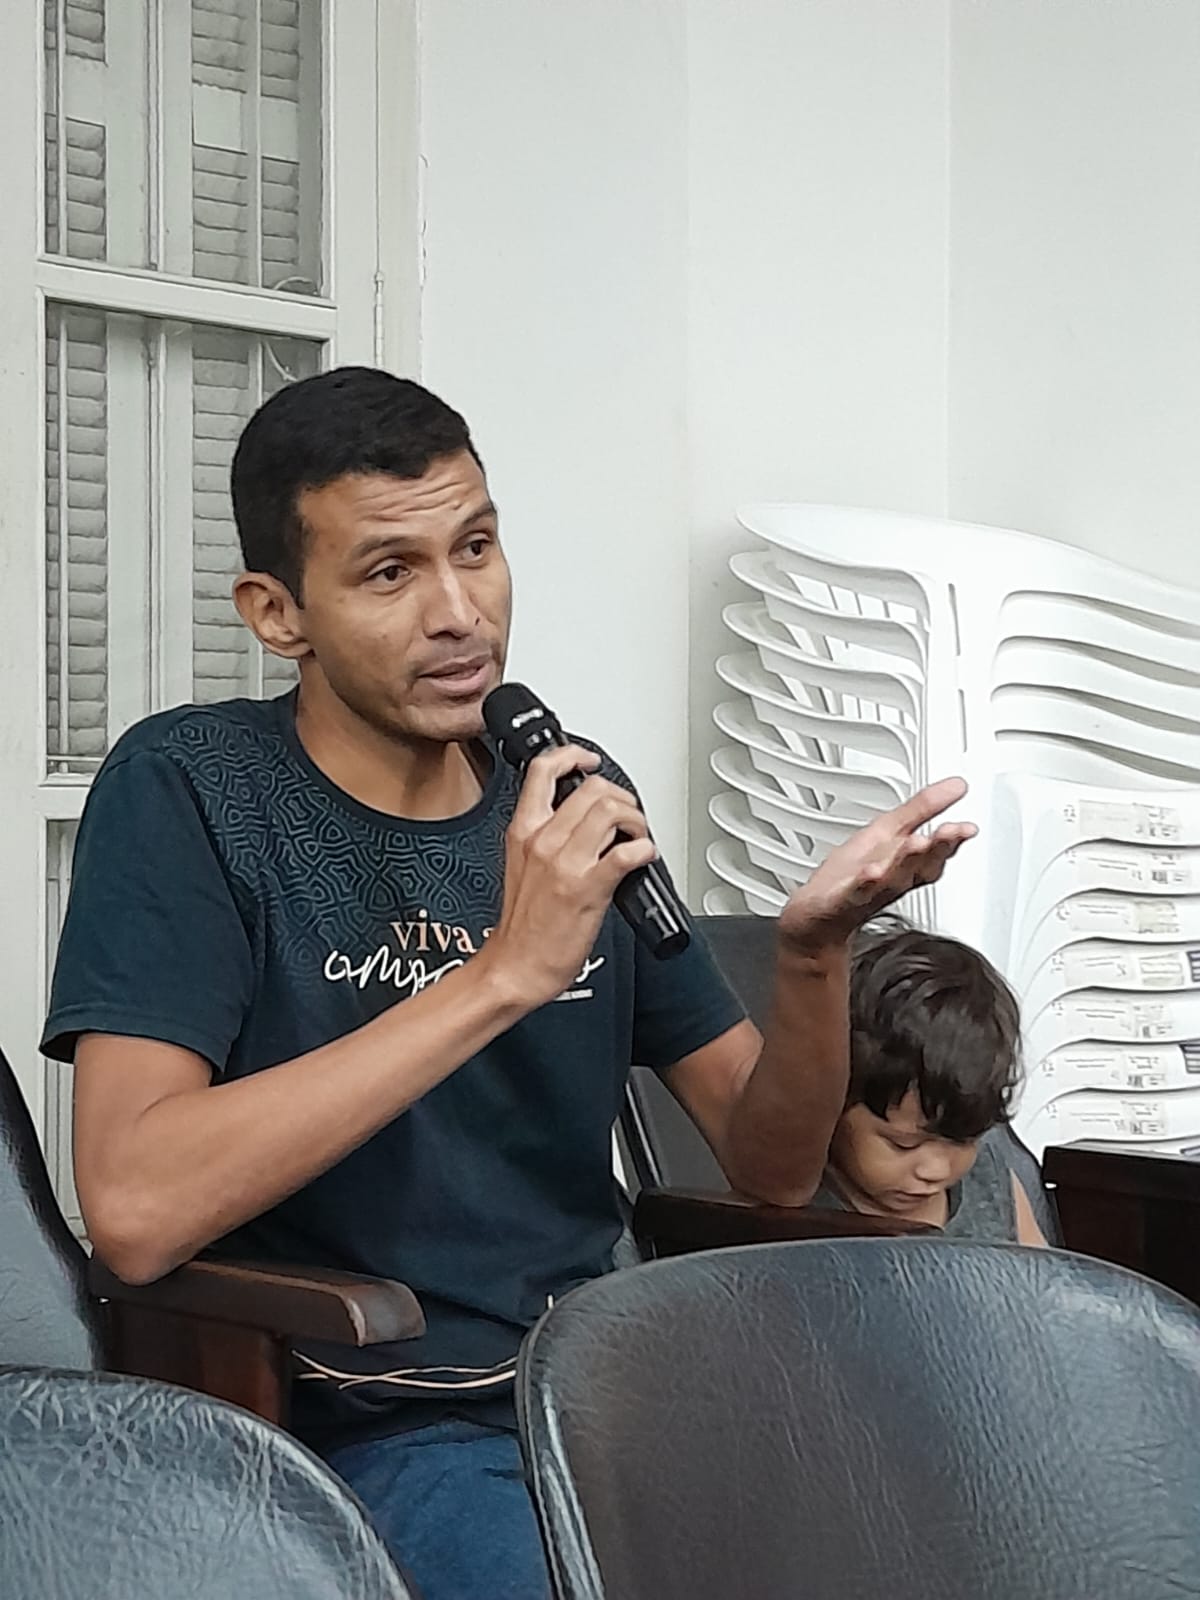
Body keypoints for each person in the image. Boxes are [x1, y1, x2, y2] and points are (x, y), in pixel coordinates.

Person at [42, 367, 974, 1600]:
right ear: (278, 613)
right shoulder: (194, 789)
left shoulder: (565, 795)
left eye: (476, 548)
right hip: (373, 1416)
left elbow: (770, 1164)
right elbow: (135, 1203)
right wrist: (500, 976)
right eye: (390, 572)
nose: (459, 613)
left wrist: (811, 955)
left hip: (613, 1383)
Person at [810, 918, 1047, 1244]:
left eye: (963, 1141)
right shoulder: (800, 1206)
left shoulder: (990, 1178)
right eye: (903, 1144)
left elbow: (1040, 1272)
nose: (935, 1171)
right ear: (834, 1103)